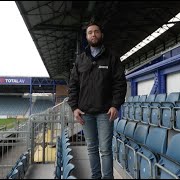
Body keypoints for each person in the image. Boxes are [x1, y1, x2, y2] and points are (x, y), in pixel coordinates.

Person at [68, 20, 127, 179]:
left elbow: (120, 83)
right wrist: (74, 108)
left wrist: (115, 105)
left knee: (106, 149)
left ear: (101, 34)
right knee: (92, 149)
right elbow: (73, 85)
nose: (93, 34)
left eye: (96, 31)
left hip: (105, 112)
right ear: (86, 37)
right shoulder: (80, 60)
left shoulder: (112, 58)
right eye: (90, 32)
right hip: (85, 112)